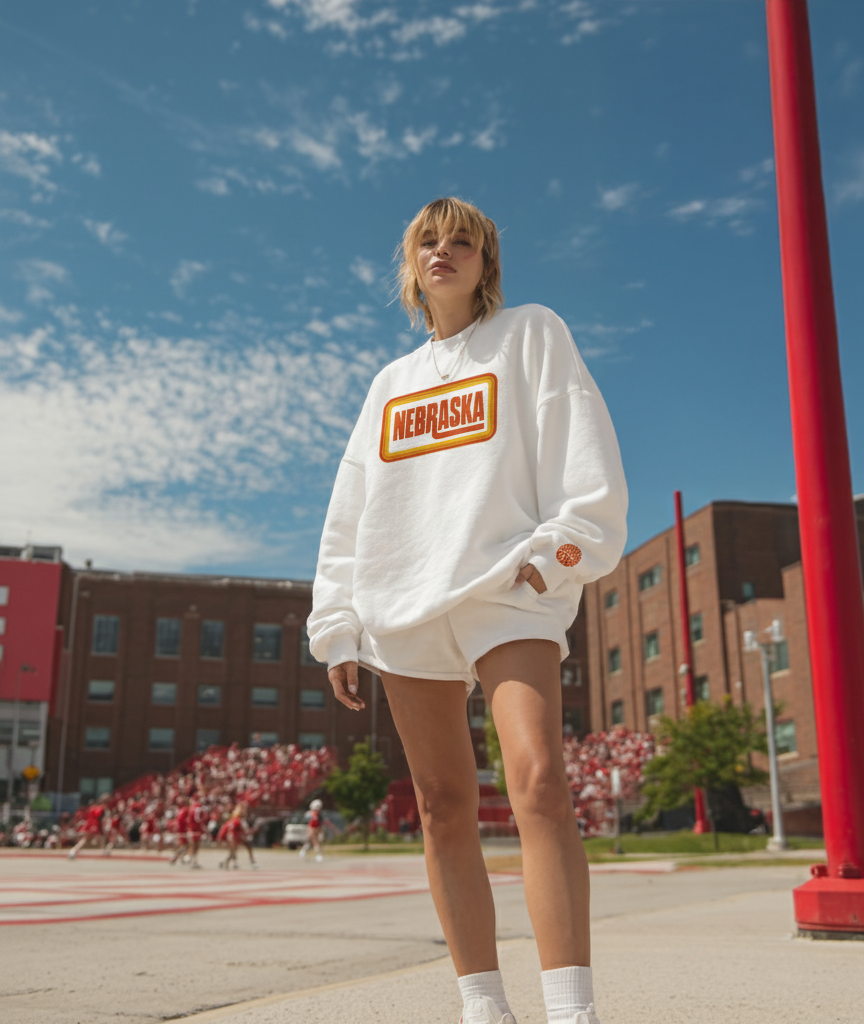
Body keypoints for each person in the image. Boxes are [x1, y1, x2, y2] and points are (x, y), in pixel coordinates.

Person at [309, 197, 627, 1024]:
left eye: (462, 242)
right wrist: (339, 621)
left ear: (487, 264)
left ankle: (571, 1008)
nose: (443, 252)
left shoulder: (531, 333)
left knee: (539, 783)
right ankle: (483, 1006)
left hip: (503, 590)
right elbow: (352, 511)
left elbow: (582, 452)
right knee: (443, 805)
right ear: (409, 264)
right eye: (427, 241)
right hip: (404, 602)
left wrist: (554, 557)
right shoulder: (391, 384)